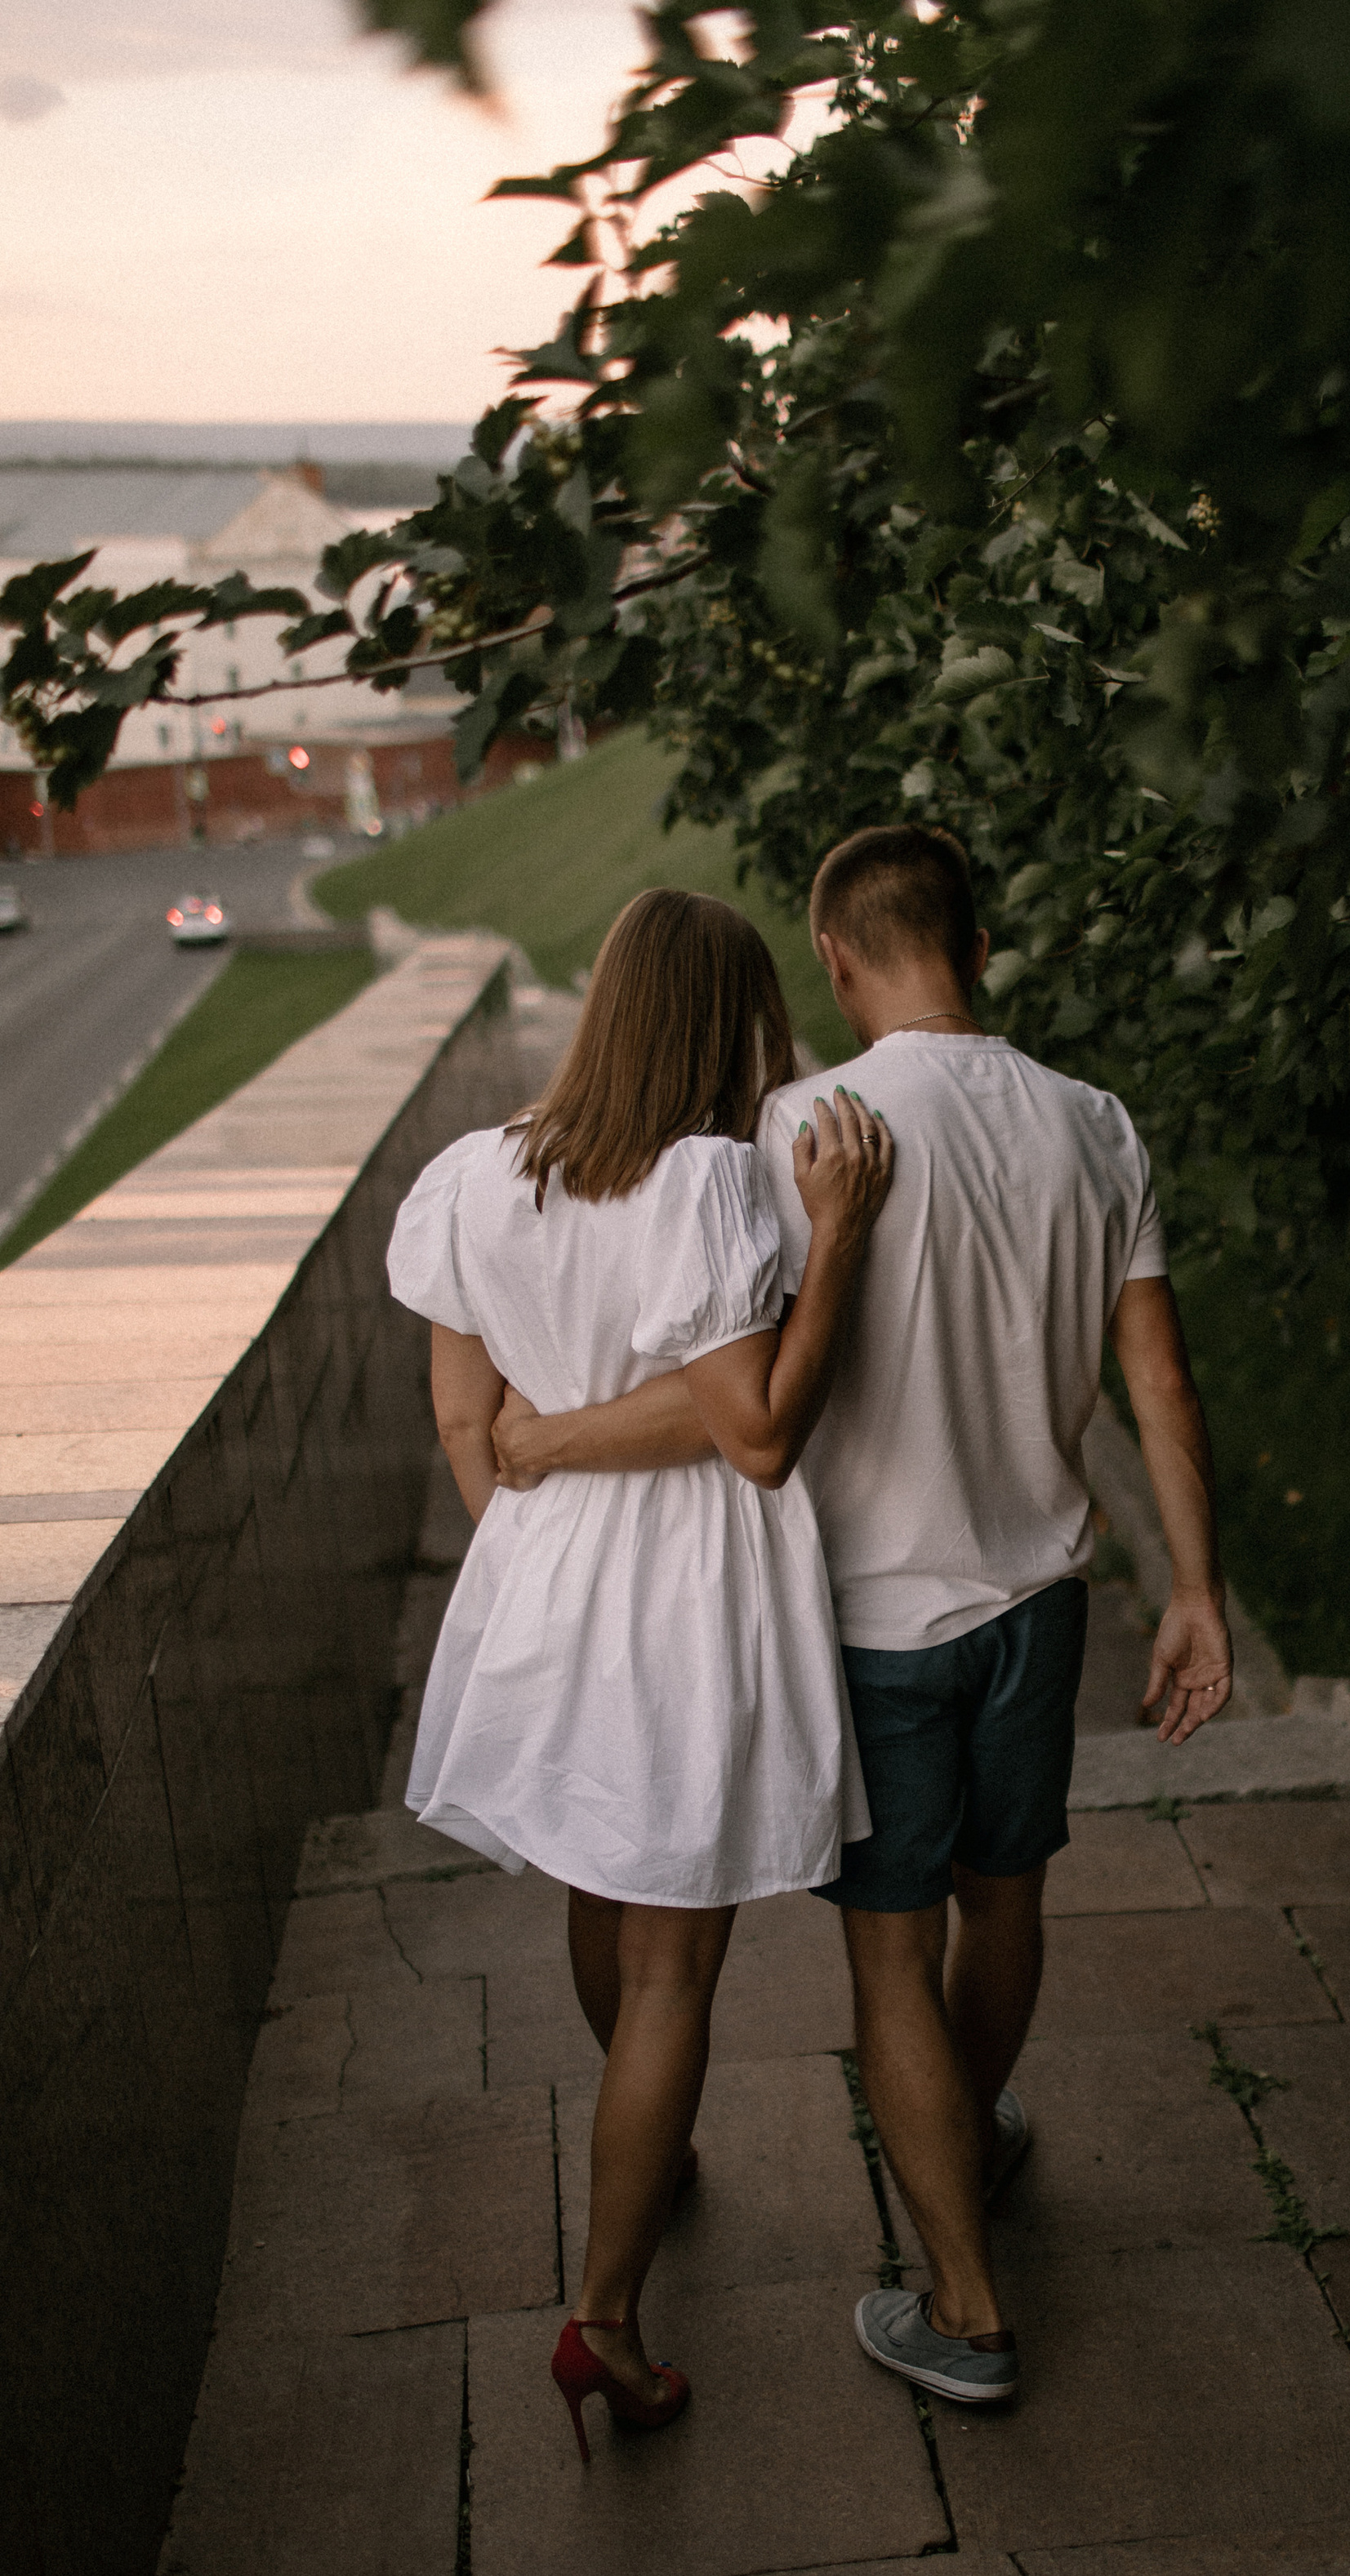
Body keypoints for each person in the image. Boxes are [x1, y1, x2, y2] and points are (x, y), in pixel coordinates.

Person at [490, 825, 1231, 2409]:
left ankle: (962, 2305)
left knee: (888, 1962)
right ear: (977, 942)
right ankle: (962, 2139)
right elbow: (1154, 1381)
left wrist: (538, 1439)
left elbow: (729, 1398)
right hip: (1039, 1599)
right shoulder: (1095, 1123)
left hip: (873, 1625)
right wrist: (1194, 1592)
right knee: (1005, 1899)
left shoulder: (794, 1131)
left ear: (831, 958)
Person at [385, 886, 893, 2464]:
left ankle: (641, 2146)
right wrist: (833, 1244)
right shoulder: (709, 1188)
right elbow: (743, 1428)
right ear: (727, 1022)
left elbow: (471, 1425)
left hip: (543, 1579)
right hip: (680, 1589)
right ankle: (604, 2313)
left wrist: (541, 1562)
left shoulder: (476, 1179)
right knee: (676, 1961)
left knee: (597, 1893)